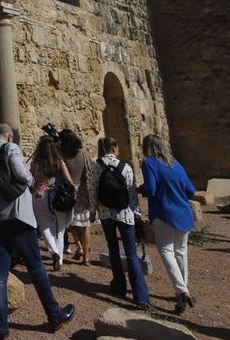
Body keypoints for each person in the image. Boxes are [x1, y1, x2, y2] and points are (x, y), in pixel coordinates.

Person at [0, 123, 76, 340]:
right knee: (36, 266)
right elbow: (22, 175)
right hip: (18, 215)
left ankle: (0, 329)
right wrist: (32, 181)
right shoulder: (11, 148)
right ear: (9, 137)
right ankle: (54, 314)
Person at [138, 133, 197, 314]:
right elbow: (191, 190)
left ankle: (182, 291)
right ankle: (182, 289)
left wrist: (138, 188)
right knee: (181, 251)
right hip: (184, 213)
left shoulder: (149, 163)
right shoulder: (176, 164)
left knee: (166, 251)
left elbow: (151, 189)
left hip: (164, 212)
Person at [92, 136, 150, 309]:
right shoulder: (126, 167)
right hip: (125, 213)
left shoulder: (96, 166)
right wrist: (137, 213)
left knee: (113, 248)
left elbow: (93, 189)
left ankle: (119, 286)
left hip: (105, 212)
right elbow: (132, 192)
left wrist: (93, 211)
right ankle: (141, 296)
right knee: (131, 252)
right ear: (115, 148)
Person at [30, 134, 74, 270]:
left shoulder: (35, 163)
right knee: (59, 230)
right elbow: (69, 180)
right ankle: (59, 259)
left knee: (43, 226)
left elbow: (32, 178)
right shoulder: (58, 161)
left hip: (39, 195)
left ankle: (54, 252)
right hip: (56, 195)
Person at [59, 128, 95, 264]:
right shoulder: (84, 153)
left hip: (68, 191)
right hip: (83, 191)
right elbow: (90, 171)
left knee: (71, 223)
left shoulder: (63, 155)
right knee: (85, 226)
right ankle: (86, 257)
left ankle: (79, 246)